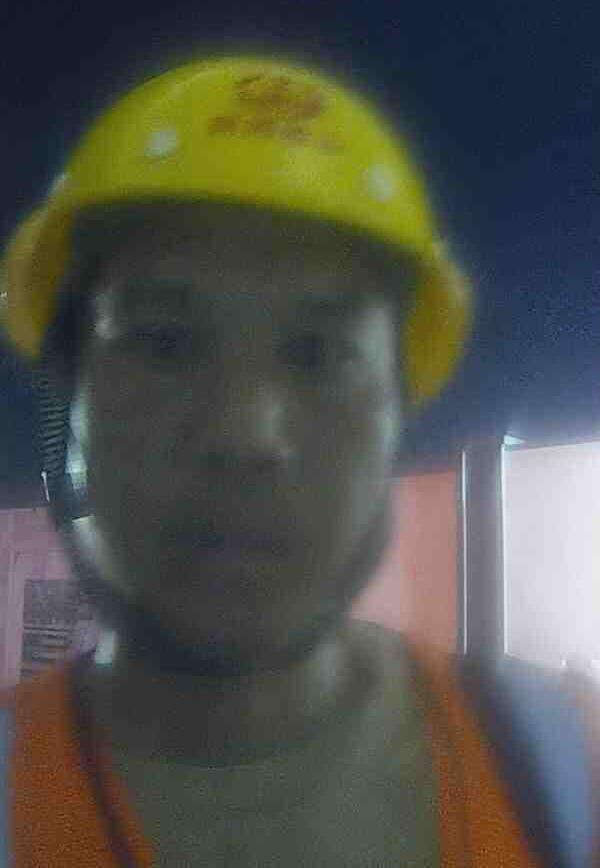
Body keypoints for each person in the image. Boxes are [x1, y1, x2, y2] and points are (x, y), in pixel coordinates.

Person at [0, 55, 587, 867]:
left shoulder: (559, 760)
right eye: (164, 342)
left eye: (319, 354)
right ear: (68, 402)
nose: (243, 434)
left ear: (398, 414)